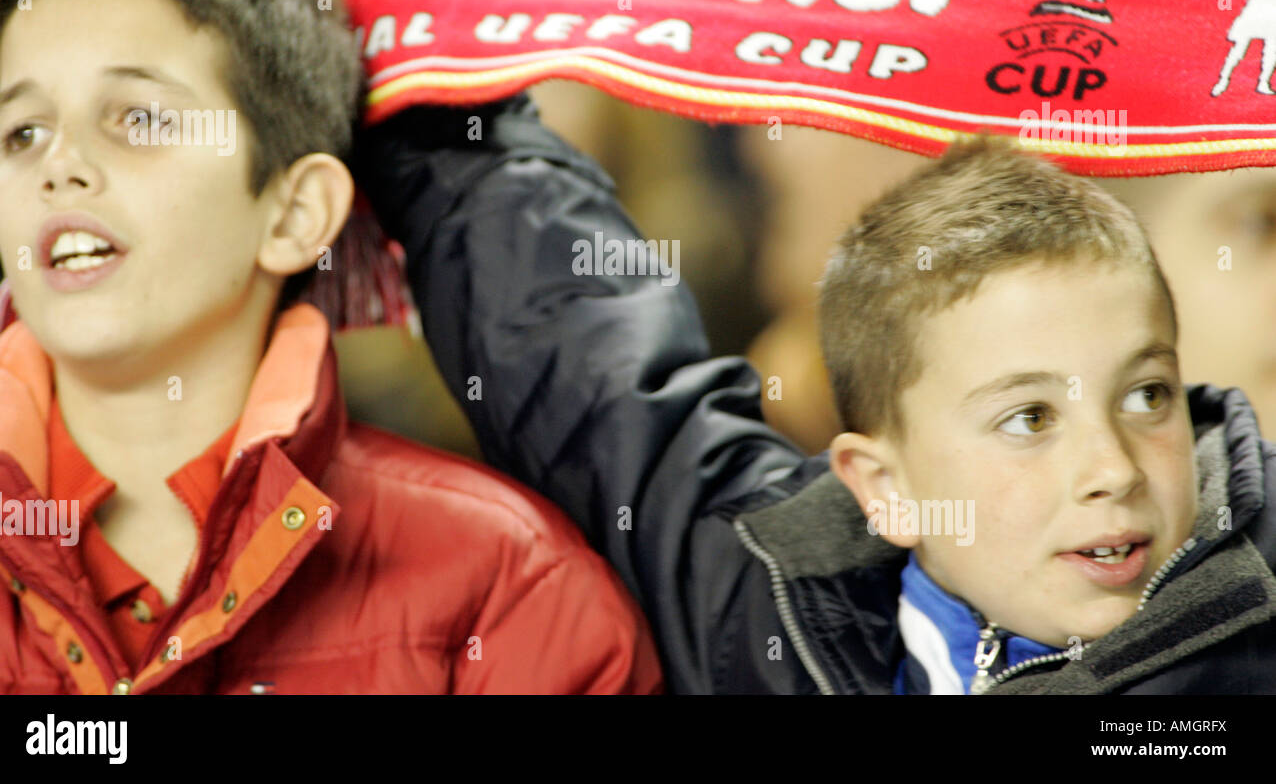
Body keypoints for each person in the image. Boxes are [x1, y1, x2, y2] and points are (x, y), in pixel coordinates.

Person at [353, 105, 1276, 694]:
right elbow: (577, 352)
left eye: (1147, 394)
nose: (1112, 468)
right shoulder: (764, 599)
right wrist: (424, 53)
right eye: (1029, 419)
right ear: (883, 487)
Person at [0, 0, 661, 694]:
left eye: (136, 118)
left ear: (297, 214)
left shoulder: (505, 586)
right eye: (23, 133)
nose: (58, 167)